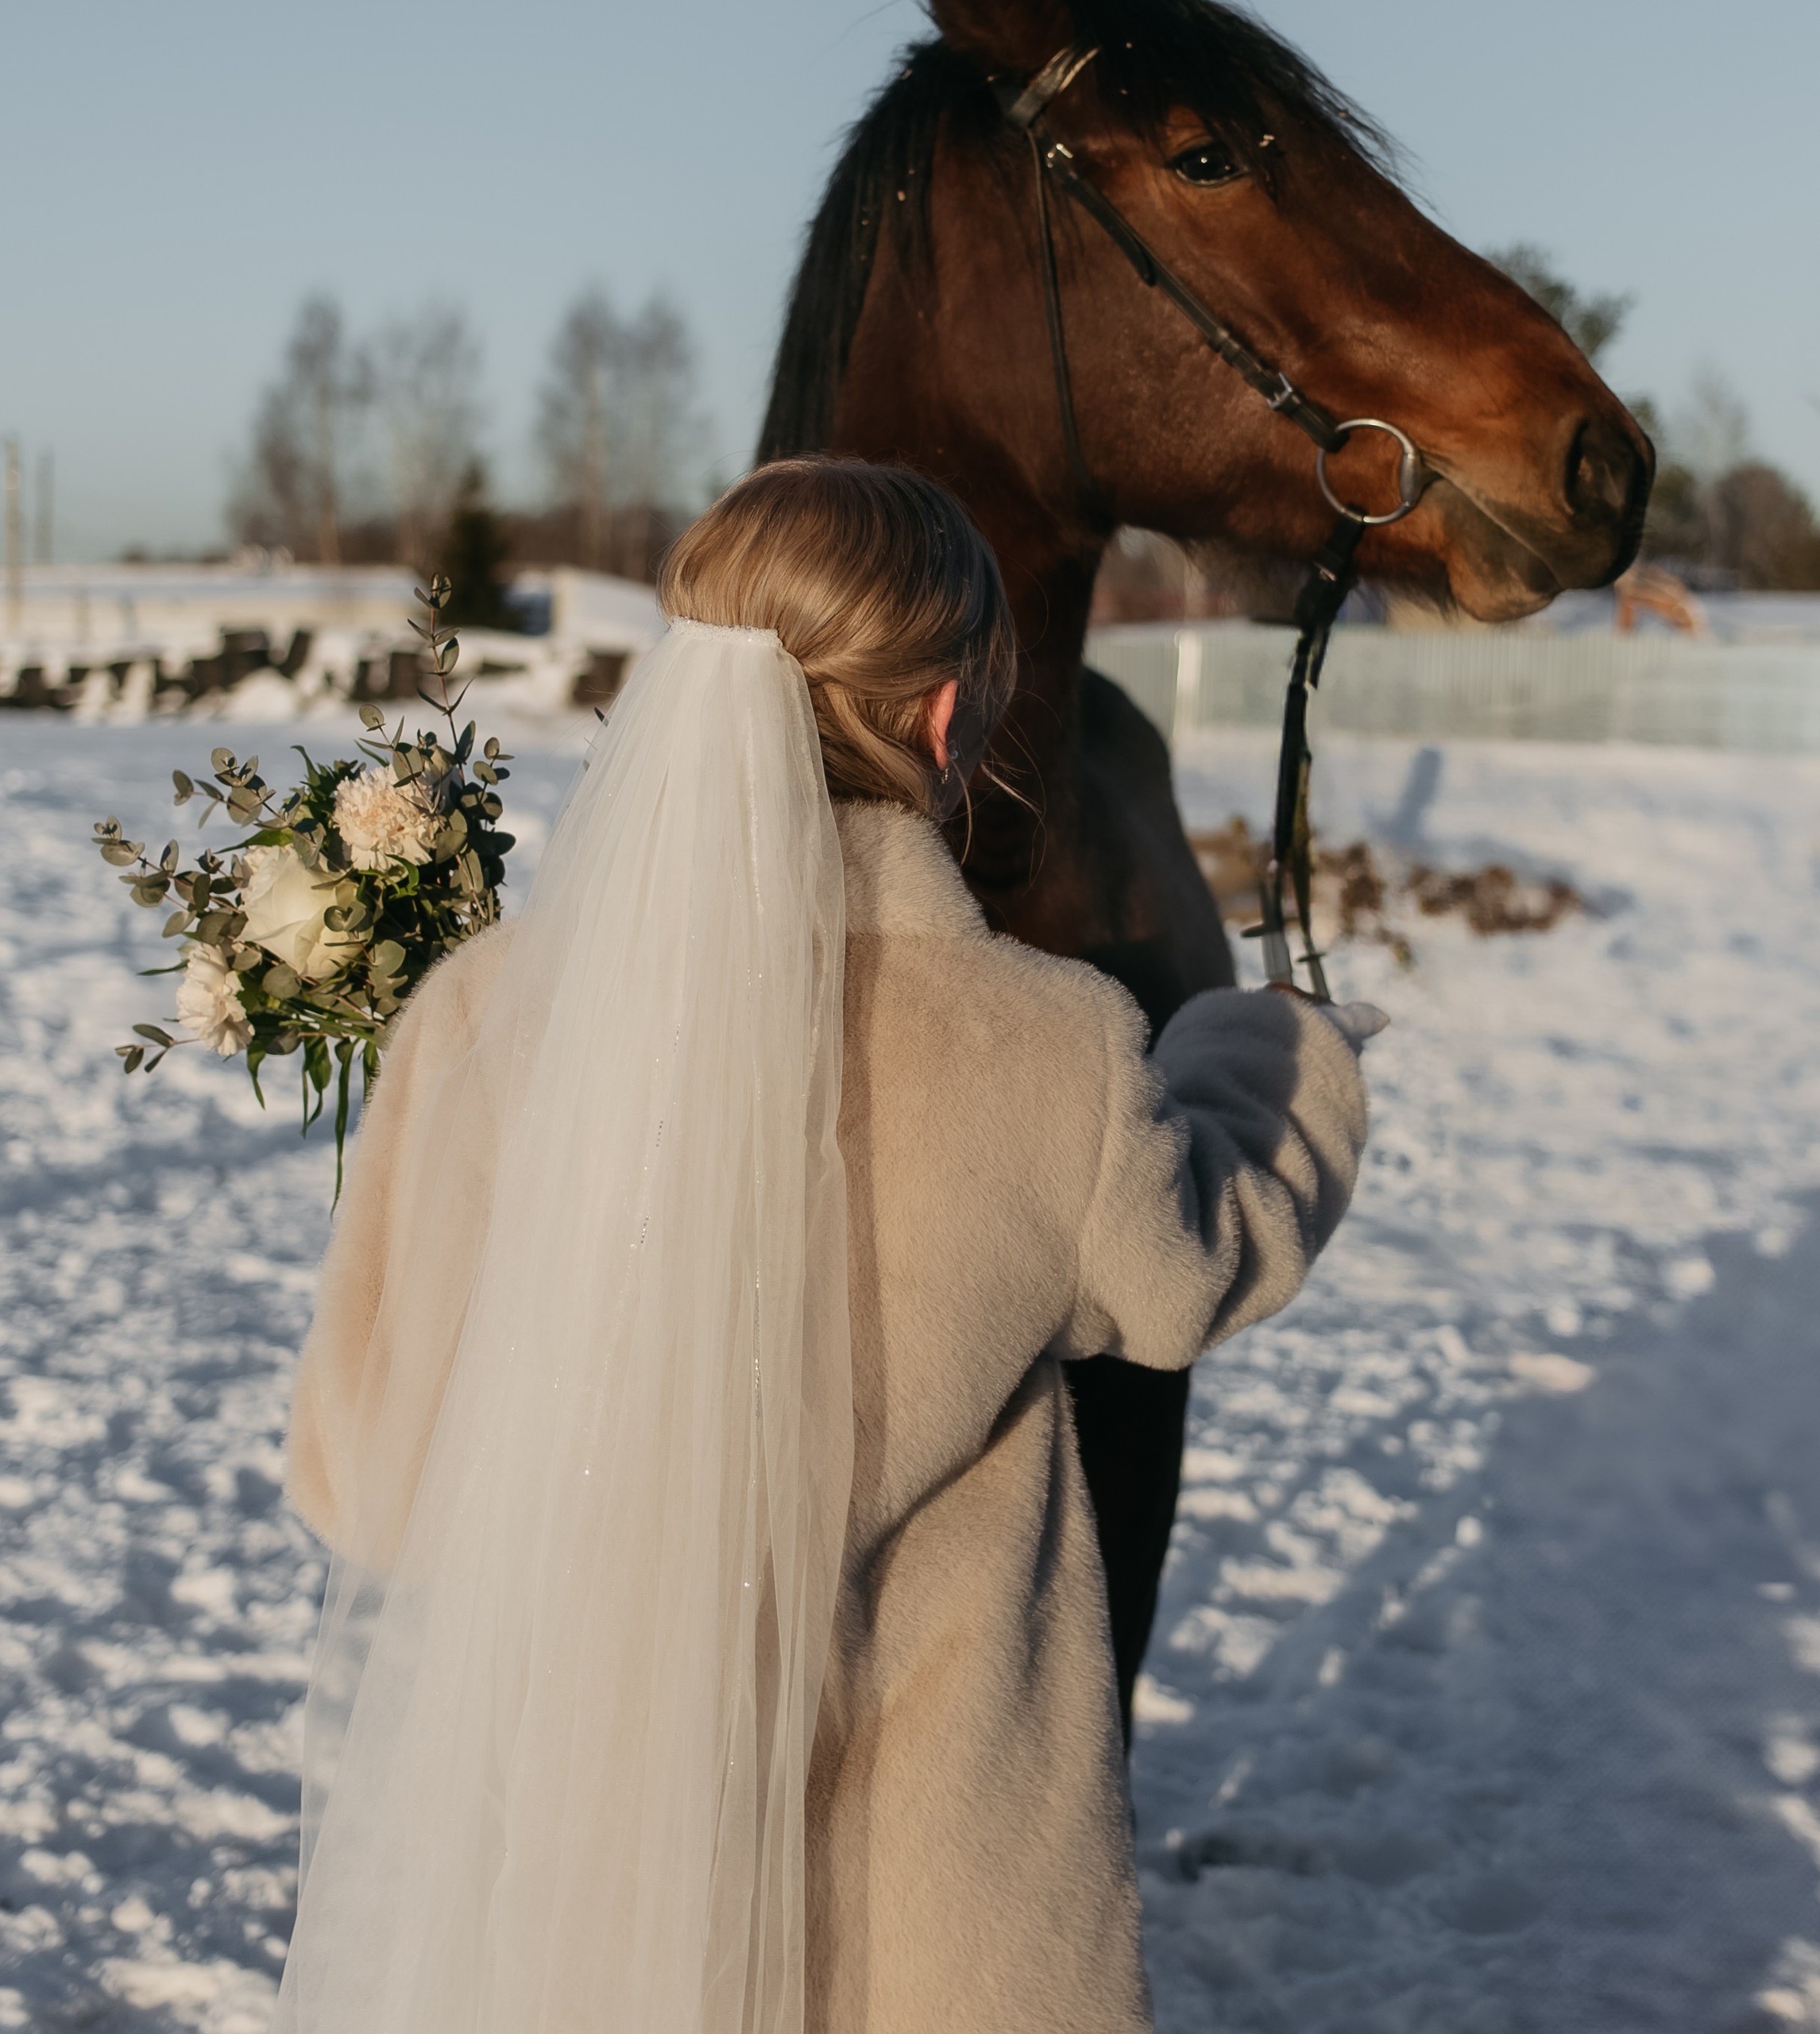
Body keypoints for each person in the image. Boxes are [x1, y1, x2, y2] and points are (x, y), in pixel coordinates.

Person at [273, 456, 1378, 2034]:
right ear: (944, 719)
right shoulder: (1043, 1053)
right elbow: (1190, 1263)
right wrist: (1274, 1055)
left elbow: (367, 1479)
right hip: (929, 1944)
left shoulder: (486, 1026)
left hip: (580, 1929)